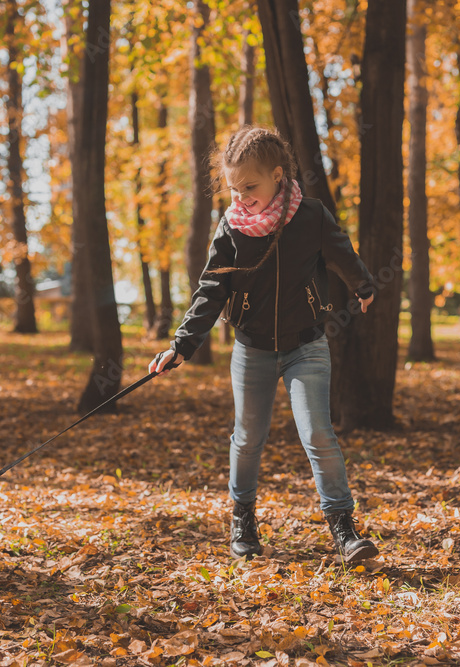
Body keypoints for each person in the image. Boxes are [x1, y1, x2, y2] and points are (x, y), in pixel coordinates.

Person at [149, 125, 379, 564]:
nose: (241, 196)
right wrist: (182, 345)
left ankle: (344, 529)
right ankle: (243, 519)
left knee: (317, 433)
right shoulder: (232, 227)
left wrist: (363, 285)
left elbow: (341, 252)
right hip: (251, 348)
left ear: (277, 175)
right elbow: (210, 291)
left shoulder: (310, 215)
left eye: (250, 186)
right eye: (234, 188)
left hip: (306, 345)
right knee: (248, 437)